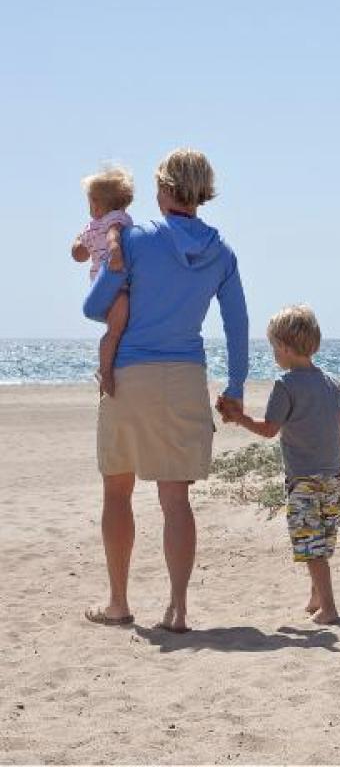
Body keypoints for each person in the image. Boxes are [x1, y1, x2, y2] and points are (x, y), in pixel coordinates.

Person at [82, 148, 249, 634]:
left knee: (118, 490)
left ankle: (118, 602)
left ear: (164, 190)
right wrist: (235, 386)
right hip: (184, 378)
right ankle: (177, 609)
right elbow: (236, 326)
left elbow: (95, 308)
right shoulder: (221, 252)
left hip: (129, 376)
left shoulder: (134, 241)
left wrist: (118, 280)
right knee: (175, 499)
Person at [227, 305, 340, 625]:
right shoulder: (330, 382)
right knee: (323, 540)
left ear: (284, 347)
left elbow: (269, 429)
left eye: (273, 347)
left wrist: (239, 418)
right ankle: (316, 597)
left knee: (309, 543)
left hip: (303, 479)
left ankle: (329, 607)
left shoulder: (286, 385)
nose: (273, 354)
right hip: (332, 476)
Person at [70, 166, 135, 397]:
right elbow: (113, 236)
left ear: (96, 204)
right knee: (116, 331)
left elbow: (79, 255)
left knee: (113, 330)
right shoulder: (117, 219)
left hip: (99, 286)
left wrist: (78, 242)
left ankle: (106, 372)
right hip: (116, 287)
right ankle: (105, 371)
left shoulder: (91, 227)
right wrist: (115, 252)